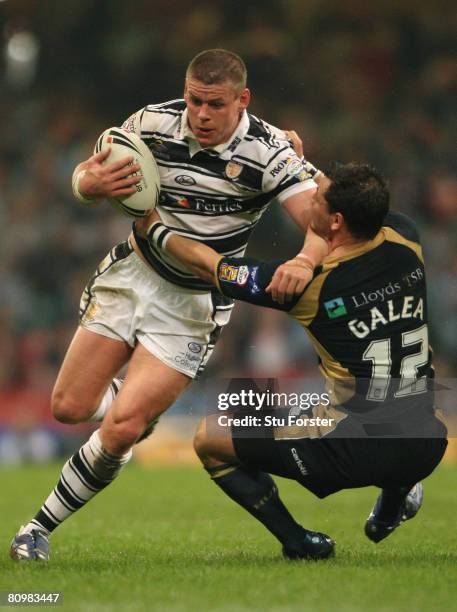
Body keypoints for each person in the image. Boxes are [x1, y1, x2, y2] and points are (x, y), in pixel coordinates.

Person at [10, 49, 326, 561]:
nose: (200, 114)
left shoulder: (269, 151)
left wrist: (307, 260)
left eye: (215, 104)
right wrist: (86, 185)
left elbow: (321, 216)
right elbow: (88, 175)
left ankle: (35, 529)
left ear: (242, 100)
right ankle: (138, 407)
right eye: (194, 100)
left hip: (193, 305)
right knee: (68, 408)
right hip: (133, 276)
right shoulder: (151, 123)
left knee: (121, 428)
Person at [138, 162, 447, 560]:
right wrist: (297, 163)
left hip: (353, 448)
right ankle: (394, 501)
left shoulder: (303, 286)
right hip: (428, 442)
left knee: (210, 437)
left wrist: (155, 229)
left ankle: (298, 540)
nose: (308, 201)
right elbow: (361, 201)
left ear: (335, 220)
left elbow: (210, 267)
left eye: (315, 199)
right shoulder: (408, 239)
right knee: (340, 409)